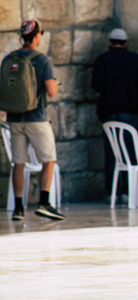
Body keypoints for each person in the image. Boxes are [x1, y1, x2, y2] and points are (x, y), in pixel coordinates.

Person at [5, 20, 65, 221]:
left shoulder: (10, 58)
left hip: (14, 118)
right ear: (37, 36)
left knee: (18, 164)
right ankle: (44, 202)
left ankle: (18, 208)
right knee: (49, 160)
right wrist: (55, 85)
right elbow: (51, 91)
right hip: (36, 119)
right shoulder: (42, 60)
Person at [91, 28, 138, 203]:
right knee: (129, 154)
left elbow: (95, 85)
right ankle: (127, 193)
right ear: (125, 43)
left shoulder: (102, 60)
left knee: (112, 154)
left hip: (108, 115)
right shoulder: (134, 59)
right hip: (129, 114)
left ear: (110, 42)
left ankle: (111, 192)